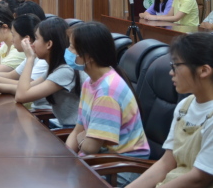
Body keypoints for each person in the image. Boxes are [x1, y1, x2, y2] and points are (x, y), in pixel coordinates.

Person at [65, 22, 149, 186]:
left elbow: (90, 147)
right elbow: (78, 131)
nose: (68, 51)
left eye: (72, 47)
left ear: (89, 56)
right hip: (98, 161)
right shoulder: (90, 82)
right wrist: (66, 158)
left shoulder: (107, 92)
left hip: (118, 169)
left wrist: (82, 142)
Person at [125, 33, 213, 188]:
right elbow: (166, 163)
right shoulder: (185, 105)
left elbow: (199, 178)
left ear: (204, 71)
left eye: (176, 65)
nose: (171, 72)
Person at [0, 17, 86, 129]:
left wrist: (30, 58)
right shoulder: (56, 67)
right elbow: (29, 87)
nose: (33, 44)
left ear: (49, 44)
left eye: (37, 38)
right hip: (61, 125)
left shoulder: (65, 71)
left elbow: (21, 96)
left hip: (68, 129)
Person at [0, 14, 50, 109]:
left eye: (13, 35)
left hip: (37, 112)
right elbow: (12, 76)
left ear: (27, 39)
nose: (12, 40)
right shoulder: (32, 55)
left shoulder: (42, 60)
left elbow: (24, 91)